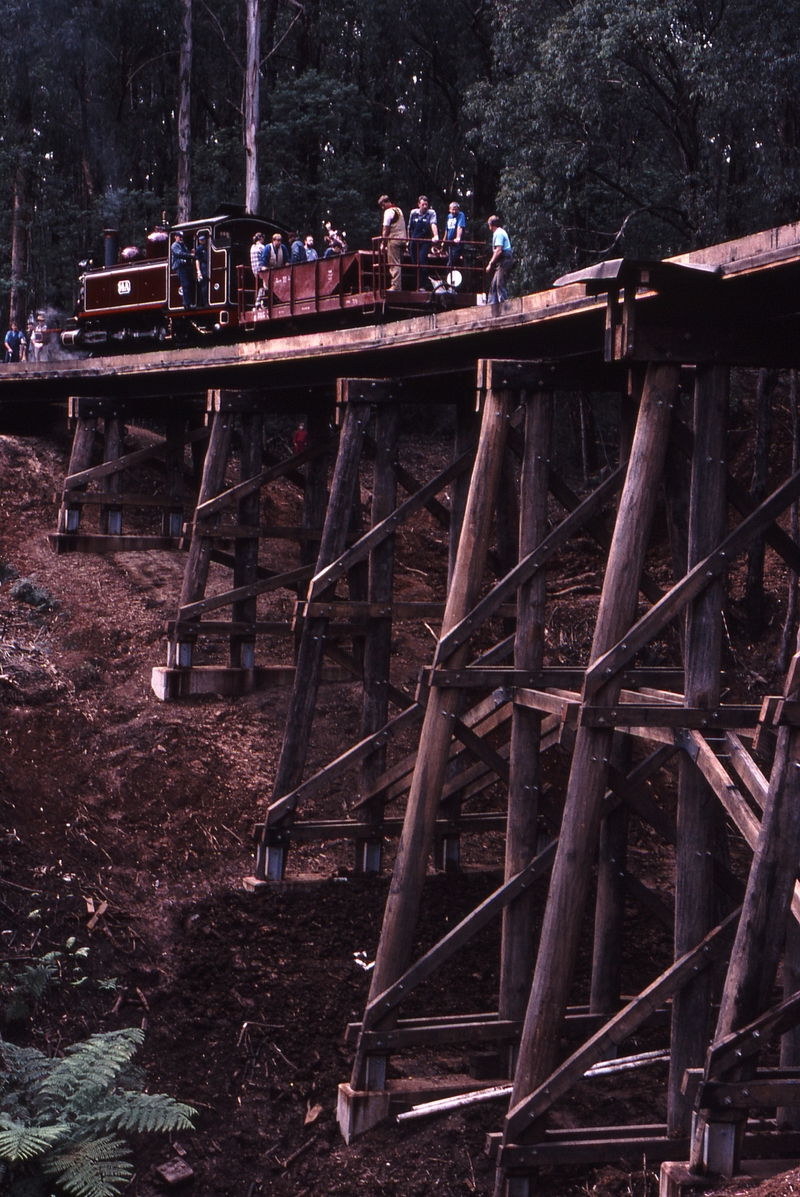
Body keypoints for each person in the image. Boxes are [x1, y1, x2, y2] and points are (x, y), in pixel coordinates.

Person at [408, 195, 439, 289]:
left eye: (426, 204)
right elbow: (409, 227)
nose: (425, 206)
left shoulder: (431, 213)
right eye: (423, 204)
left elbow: (433, 224)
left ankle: (423, 285)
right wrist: (408, 240)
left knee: (422, 261)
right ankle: (416, 284)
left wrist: (436, 235)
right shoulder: (413, 213)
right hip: (414, 240)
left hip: (425, 240)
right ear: (419, 205)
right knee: (414, 263)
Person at [379, 195, 406, 291]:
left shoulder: (388, 212)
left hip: (394, 240)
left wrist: (383, 242)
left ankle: (396, 286)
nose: (383, 208)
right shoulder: (399, 210)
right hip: (403, 240)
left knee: (394, 264)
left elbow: (385, 228)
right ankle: (400, 285)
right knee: (399, 263)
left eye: (383, 205)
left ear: (387, 202)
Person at [486, 215, 513, 305]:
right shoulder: (498, 232)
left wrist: (490, 263)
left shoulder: (499, 233)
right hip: (501, 261)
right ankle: (491, 306)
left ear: (491, 225)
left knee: (500, 284)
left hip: (505, 260)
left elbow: (498, 250)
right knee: (493, 286)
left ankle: (505, 307)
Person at [170, 230, 195, 309]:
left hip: (186, 266)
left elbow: (186, 252)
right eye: (179, 237)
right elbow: (180, 253)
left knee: (189, 284)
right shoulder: (174, 246)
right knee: (185, 285)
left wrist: (191, 252)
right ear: (175, 237)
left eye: (181, 237)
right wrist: (190, 255)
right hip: (180, 267)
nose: (180, 238)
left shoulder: (183, 245)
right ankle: (186, 303)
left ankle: (190, 302)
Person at [444, 201, 466, 266]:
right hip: (449, 244)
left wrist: (458, 237)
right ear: (449, 209)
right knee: (453, 262)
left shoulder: (461, 215)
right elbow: (446, 229)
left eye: (456, 210)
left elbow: (460, 227)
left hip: (456, 244)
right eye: (452, 209)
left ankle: (448, 275)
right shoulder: (449, 216)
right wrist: (444, 241)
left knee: (450, 263)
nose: (454, 211)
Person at [195, 231, 209, 307]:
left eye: (203, 239)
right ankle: (205, 302)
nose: (202, 241)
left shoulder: (207, 247)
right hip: (203, 265)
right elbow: (197, 260)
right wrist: (198, 271)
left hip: (207, 264)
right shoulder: (199, 249)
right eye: (201, 240)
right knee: (204, 285)